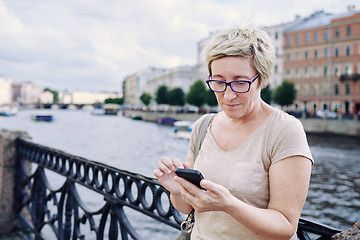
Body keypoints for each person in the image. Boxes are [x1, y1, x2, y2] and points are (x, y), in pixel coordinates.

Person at [153, 23, 313, 240]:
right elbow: (188, 209)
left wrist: (229, 205)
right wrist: (176, 190)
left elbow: (285, 226)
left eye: (240, 82)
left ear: (262, 79)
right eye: (218, 81)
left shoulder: (284, 130)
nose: (228, 96)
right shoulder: (203, 126)